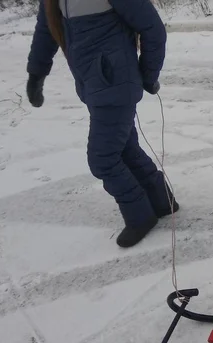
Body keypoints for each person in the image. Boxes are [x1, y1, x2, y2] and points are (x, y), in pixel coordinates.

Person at [25, 0, 179, 248]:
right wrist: (36, 74)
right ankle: (162, 202)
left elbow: (153, 28)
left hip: (116, 83)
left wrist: (148, 75)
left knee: (103, 159)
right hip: (94, 84)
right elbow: (46, 28)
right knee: (125, 149)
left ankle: (140, 217)